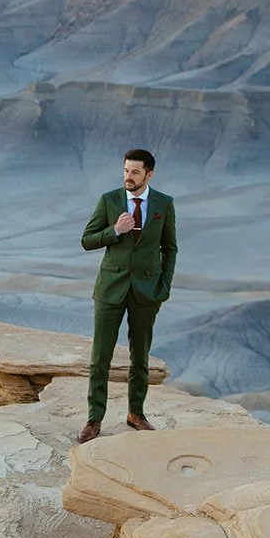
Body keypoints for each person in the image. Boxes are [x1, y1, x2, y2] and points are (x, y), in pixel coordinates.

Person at [77, 148, 177, 443]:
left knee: (140, 357)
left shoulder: (164, 204)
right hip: (110, 289)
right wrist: (115, 230)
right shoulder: (109, 200)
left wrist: (164, 286)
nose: (128, 177)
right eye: (125, 170)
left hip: (147, 291)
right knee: (100, 357)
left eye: (134, 172)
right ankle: (94, 419)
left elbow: (169, 249)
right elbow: (86, 240)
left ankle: (136, 413)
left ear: (149, 174)